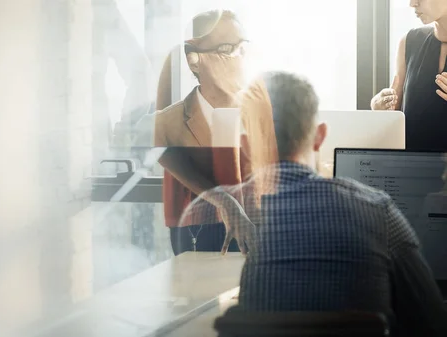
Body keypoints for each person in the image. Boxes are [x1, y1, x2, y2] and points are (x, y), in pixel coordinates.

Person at [183, 71, 447, 336]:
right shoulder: (377, 210)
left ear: (246, 147)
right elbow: (432, 320)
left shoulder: (232, 223)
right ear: (320, 136)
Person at [153, 9, 276, 256]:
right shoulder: (170, 121)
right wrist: (224, 201)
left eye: (243, 47)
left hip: (262, 231)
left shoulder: (264, 110)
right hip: (200, 231)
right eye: (227, 48)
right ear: (194, 60)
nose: (240, 57)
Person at [371, 0, 447, 150]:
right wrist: (377, 106)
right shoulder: (409, 41)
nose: (412, 3)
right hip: (410, 166)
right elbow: (394, 110)